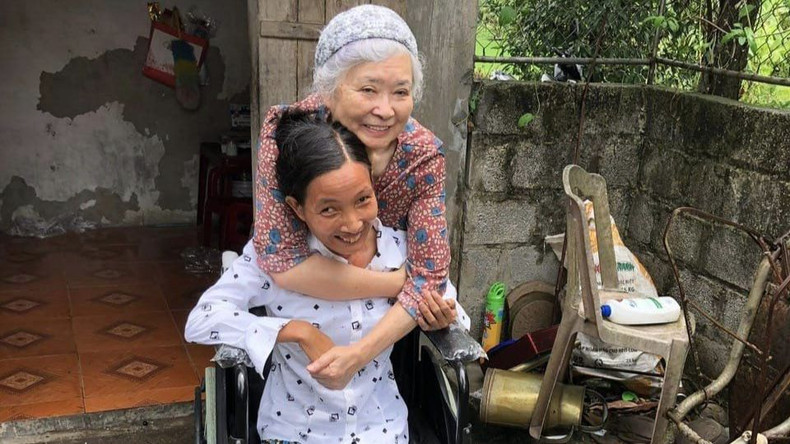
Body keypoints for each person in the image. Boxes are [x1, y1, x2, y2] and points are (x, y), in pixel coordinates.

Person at [185, 111, 469, 443]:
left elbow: (453, 311)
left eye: (363, 200)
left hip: (381, 426)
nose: (352, 224)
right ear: (297, 208)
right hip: (293, 430)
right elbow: (202, 319)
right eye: (329, 209)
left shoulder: (401, 252)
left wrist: (440, 318)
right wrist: (296, 332)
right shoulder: (279, 261)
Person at [254, 5, 453, 335]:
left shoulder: (423, 155)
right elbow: (282, 261)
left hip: (381, 326)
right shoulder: (287, 134)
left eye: (401, 92)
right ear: (329, 91)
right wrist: (398, 283)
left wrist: (357, 358)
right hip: (301, 310)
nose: (385, 110)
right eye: (368, 89)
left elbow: (430, 279)